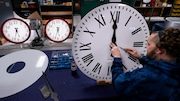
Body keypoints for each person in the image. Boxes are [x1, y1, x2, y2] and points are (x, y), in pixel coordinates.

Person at [110, 27, 180, 101]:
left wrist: (117, 58)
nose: (146, 47)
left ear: (161, 51)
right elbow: (161, 68)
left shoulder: (145, 76)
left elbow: (119, 83)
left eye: (149, 44)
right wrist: (141, 57)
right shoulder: (175, 69)